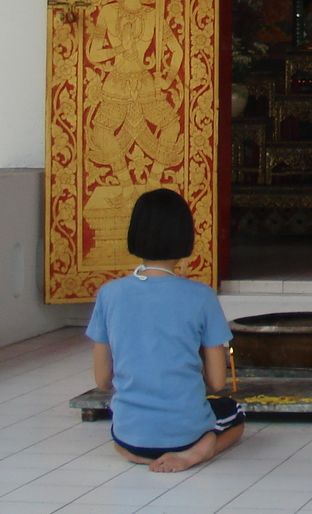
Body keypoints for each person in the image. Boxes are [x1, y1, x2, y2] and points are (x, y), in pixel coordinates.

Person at [86, 189, 243, 472]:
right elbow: (218, 383)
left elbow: (102, 381)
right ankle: (197, 453)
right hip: (185, 432)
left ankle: (137, 453)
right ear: (186, 237)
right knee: (234, 414)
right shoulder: (201, 296)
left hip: (129, 433)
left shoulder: (109, 294)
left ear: (134, 234)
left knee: (121, 436)